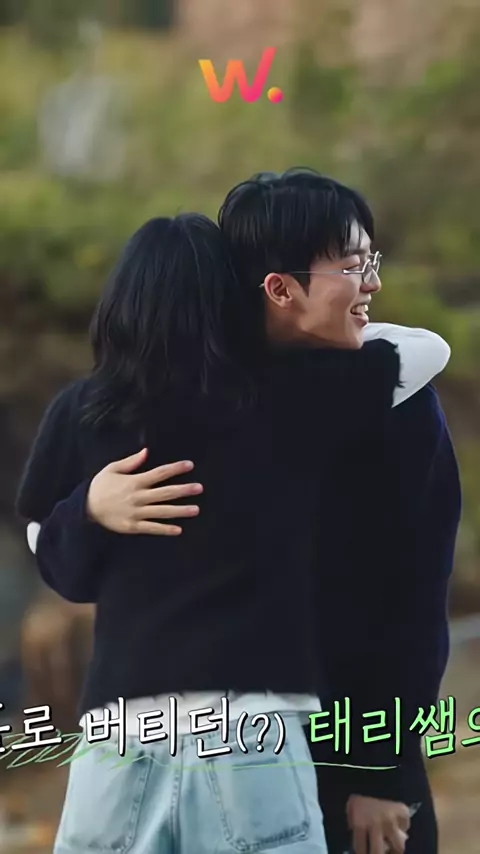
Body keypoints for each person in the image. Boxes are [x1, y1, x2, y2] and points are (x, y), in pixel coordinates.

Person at [17, 174, 449, 854]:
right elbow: (62, 557)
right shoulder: (216, 404)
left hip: (347, 754)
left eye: (371, 262)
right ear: (276, 287)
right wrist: (91, 508)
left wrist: (384, 770)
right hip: (251, 739)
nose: (371, 282)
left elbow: (412, 599)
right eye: (352, 265)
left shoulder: (390, 409)